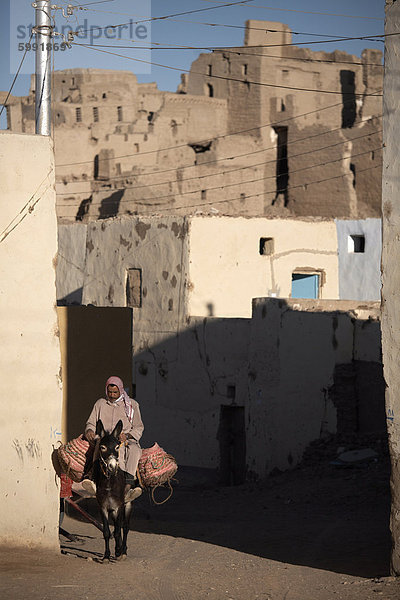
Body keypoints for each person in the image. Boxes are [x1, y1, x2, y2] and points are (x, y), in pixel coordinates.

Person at [81, 375, 144, 503]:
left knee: (134, 449)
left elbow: (138, 427)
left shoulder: (132, 405)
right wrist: (89, 431)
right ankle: (93, 478)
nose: (112, 395)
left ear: (121, 390)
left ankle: (129, 484)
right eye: (109, 392)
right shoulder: (100, 404)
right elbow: (91, 423)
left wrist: (127, 436)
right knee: (100, 446)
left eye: (115, 392)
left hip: (125, 439)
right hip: (105, 438)